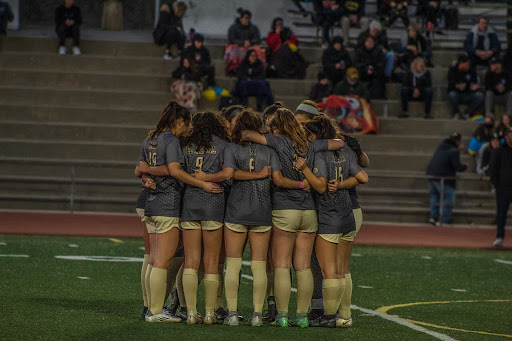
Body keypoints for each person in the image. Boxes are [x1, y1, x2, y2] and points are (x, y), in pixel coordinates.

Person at [242, 108, 345, 328]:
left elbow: (249, 135)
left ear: (277, 128)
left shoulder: (278, 142)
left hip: (284, 210)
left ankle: (282, 315)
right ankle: (302, 316)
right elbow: (339, 143)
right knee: (303, 267)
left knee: (281, 265)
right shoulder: (310, 145)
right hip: (308, 212)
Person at [136, 101, 222, 322]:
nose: (188, 129)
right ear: (180, 121)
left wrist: (146, 174)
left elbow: (140, 167)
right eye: (187, 124)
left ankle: (149, 308)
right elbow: (174, 170)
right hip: (167, 204)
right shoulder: (171, 140)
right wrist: (201, 183)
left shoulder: (150, 138)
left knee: (154, 259)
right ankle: (156, 311)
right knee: (162, 261)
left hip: (151, 204)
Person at [296, 116, 368, 327]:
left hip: (329, 214)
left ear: (313, 135)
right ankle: (344, 316)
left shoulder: (319, 153)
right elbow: (363, 177)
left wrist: (304, 169)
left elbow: (319, 186)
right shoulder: (345, 151)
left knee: (329, 271)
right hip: (347, 214)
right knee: (342, 269)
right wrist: (342, 184)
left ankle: (328, 317)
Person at [222, 110, 282, 326]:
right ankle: (257, 314)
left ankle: (232, 313)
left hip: (236, 210)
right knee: (259, 265)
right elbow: (277, 179)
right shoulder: (269, 149)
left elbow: (230, 174)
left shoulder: (231, 147)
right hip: (262, 210)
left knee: (233, 263)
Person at [179, 112, 230, 325]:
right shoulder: (224, 145)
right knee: (211, 262)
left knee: (191, 261)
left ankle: (191, 313)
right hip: (214, 204)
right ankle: (210, 313)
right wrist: (209, 179)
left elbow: (179, 173)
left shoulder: (186, 145)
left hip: (190, 203)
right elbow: (228, 173)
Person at [426, 132, 467, 226]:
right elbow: (458, 166)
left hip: (431, 174)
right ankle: (444, 220)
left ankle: (433, 217)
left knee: (434, 197)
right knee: (449, 198)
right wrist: (465, 167)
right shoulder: (454, 151)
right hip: (443, 177)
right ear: (458, 141)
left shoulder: (441, 146)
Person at [488, 128, 512, 247]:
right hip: (503, 187)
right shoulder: (499, 151)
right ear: (506, 136)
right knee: (501, 213)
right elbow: (492, 168)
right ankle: (499, 236)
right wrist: (496, 183)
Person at [225, 9, 264, 75]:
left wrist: (250, 42)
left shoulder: (254, 28)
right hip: (238, 46)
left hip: (250, 46)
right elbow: (231, 39)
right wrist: (242, 43)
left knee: (257, 49)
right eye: (245, 18)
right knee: (233, 48)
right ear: (241, 19)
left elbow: (257, 39)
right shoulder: (233, 28)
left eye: (248, 18)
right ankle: (234, 67)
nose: (247, 20)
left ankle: (257, 67)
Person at [447, 54, 484, 120]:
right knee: (451, 95)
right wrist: (457, 86)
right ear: (461, 64)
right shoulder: (453, 70)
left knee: (479, 95)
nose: (468, 66)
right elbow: (450, 85)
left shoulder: (471, 70)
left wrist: (470, 86)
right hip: (457, 94)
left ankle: (467, 113)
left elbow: (474, 82)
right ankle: (456, 113)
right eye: (466, 65)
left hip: (468, 93)